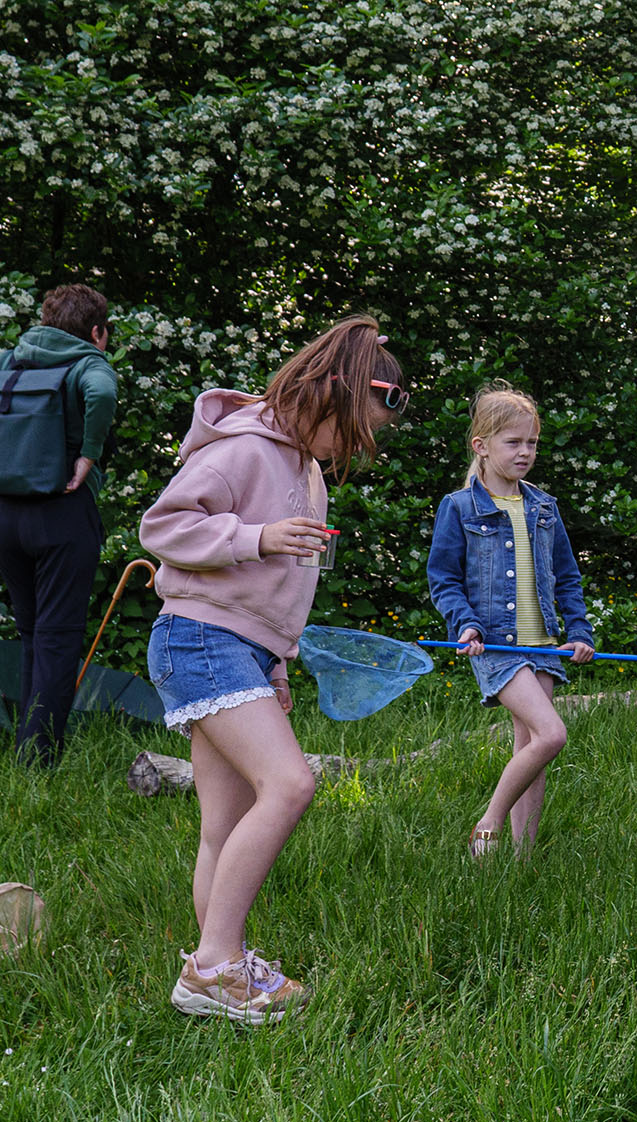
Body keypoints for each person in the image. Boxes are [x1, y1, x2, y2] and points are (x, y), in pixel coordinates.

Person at [139, 314, 407, 1022]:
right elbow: (162, 526)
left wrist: (277, 664)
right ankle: (214, 967)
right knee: (290, 785)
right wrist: (254, 536)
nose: (352, 448)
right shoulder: (244, 451)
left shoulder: (305, 469)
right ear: (329, 395)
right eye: (350, 431)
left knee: (223, 825)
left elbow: (271, 596)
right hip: (197, 638)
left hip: (236, 648)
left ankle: (219, 964)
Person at [427, 383, 595, 859]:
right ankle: (489, 824)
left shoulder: (544, 506)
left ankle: (520, 861)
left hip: (542, 643)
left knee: (531, 749)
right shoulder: (459, 508)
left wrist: (579, 632)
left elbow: (567, 578)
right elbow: (443, 579)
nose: (526, 452)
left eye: (532, 443)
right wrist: (465, 625)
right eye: (513, 443)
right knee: (551, 734)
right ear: (481, 446)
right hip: (497, 647)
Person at [0, 283, 118, 767]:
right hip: (63, 513)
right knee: (59, 635)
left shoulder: (11, 359)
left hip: (6, 515)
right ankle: (38, 759)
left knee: (31, 631)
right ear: (96, 331)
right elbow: (103, 391)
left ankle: (26, 744)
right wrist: (88, 455)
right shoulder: (88, 362)